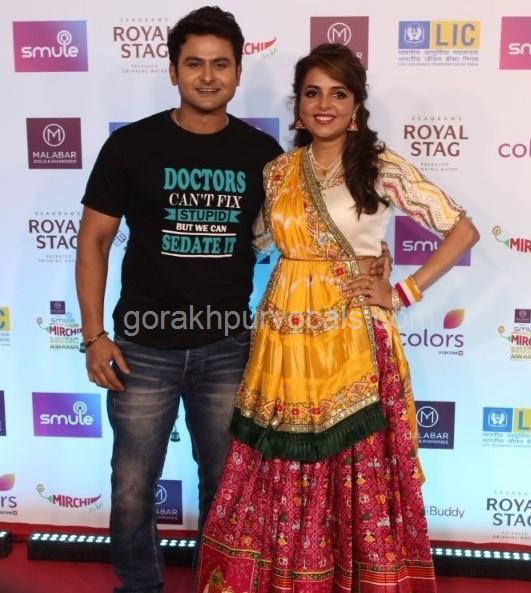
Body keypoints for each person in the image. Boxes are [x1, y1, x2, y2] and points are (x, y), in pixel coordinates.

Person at [77, 7, 390, 592]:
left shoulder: (263, 156)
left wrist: (375, 259)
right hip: (142, 347)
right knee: (131, 487)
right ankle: (139, 586)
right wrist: (93, 336)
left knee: (227, 488)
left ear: (239, 73)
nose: (207, 76)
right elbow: (93, 240)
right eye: (194, 63)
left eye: (220, 64)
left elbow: (317, 226)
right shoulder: (130, 146)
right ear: (173, 71)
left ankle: (215, 584)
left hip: (229, 347)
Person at [196, 44, 480, 593]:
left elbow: (461, 230)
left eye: (338, 93)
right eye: (312, 93)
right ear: (298, 104)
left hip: (351, 338)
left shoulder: (379, 165)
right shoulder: (279, 172)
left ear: (356, 105)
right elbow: (258, 241)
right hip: (283, 340)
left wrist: (402, 290)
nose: (324, 105)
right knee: (277, 463)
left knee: (351, 463)